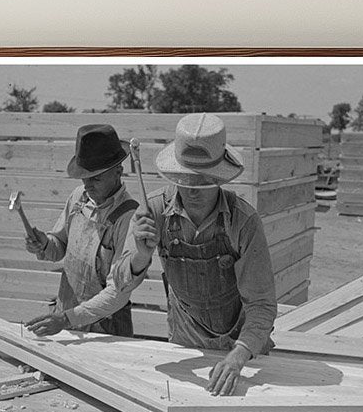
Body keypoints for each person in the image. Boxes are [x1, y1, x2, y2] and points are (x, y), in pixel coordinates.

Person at [112, 113, 277, 396]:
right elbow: (118, 283)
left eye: (203, 181)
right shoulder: (153, 212)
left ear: (221, 176)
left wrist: (239, 356)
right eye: (184, 178)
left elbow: (262, 304)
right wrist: (140, 256)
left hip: (241, 343)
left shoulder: (243, 221)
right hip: (184, 339)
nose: (192, 190)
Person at [24, 123, 138, 337]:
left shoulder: (129, 217)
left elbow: (118, 292)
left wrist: (67, 319)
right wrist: (44, 244)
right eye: (84, 177)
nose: (88, 185)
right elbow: (59, 248)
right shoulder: (78, 198)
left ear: (119, 172)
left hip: (106, 327)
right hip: (65, 316)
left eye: (96, 178)